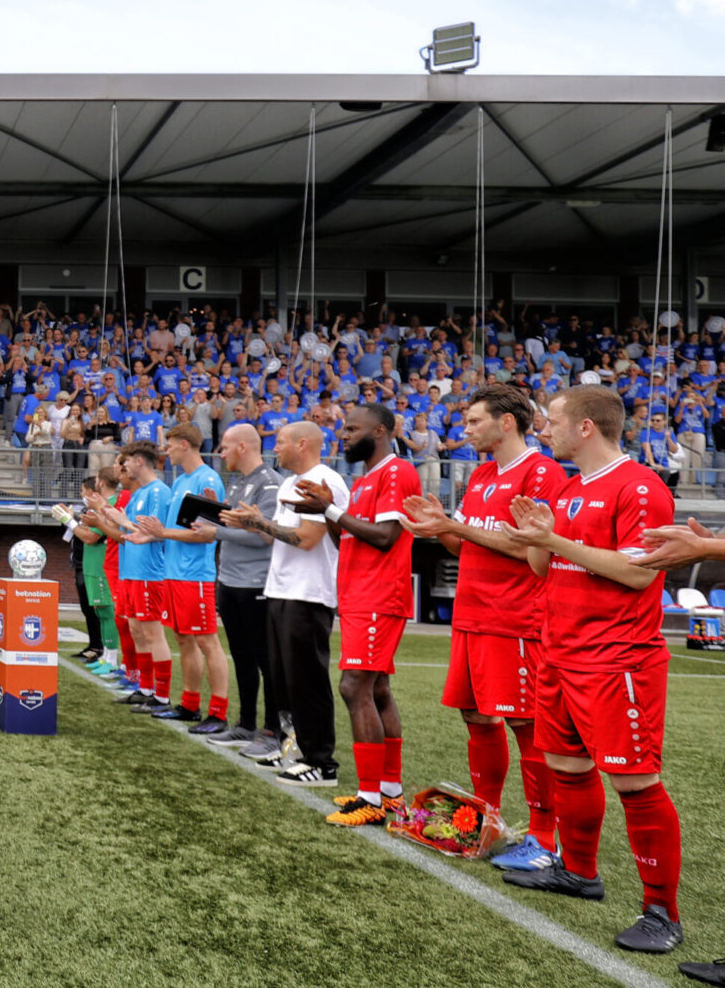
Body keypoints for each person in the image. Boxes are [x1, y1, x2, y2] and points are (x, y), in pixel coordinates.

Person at [499, 385, 685, 954]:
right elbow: (543, 567)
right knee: (566, 766)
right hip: (560, 653)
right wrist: (536, 536)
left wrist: (552, 536)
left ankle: (662, 911)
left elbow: (637, 575)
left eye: (551, 420)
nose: (542, 429)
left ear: (585, 428)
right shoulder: (572, 487)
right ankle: (579, 872)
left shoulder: (641, 488)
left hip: (616, 659)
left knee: (634, 781)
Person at [399, 384, 566, 869]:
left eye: (474, 421)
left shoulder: (541, 473)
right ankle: (486, 819)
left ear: (506, 421)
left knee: (526, 724)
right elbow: (467, 547)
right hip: (472, 616)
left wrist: (459, 527)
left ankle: (544, 836)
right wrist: (442, 527)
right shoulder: (483, 475)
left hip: (516, 618)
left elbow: (531, 548)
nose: (465, 429)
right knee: (475, 716)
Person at [289, 404, 420, 825]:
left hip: (379, 596)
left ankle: (371, 799)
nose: (343, 435)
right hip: (362, 595)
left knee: (354, 688)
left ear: (379, 431)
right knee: (376, 689)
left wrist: (329, 510)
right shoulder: (366, 480)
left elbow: (385, 538)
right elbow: (349, 541)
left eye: (351, 429)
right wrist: (326, 510)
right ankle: (390, 792)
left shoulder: (396, 472)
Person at [220, 421, 347, 787]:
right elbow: (276, 535)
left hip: (308, 593)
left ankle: (321, 762)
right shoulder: (290, 483)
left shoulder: (325, 482)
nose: (275, 448)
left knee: (307, 678)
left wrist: (260, 523)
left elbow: (307, 539)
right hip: (280, 589)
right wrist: (250, 523)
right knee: (284, 678)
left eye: (280, 442)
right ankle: (292, 748)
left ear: (302, 444)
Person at [135, 423, 227, 733]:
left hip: (195, 575)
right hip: (175, 572)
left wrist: (161, 533)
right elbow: (176, 529)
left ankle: (218, 712)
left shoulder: (207, 480)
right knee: (184, 639)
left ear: (185, 444)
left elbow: (206, 535)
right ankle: (189, 704)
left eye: (171, 445)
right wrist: (150, 536)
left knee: (207, 641)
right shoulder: (182, 481)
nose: (167, 451)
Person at [210, 425, 282, 752]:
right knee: (241, 657)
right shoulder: (239, 482)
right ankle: (246, 724)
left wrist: (214, 531)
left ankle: (272, 731)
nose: (220, 454)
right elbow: (229, 526)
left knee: (266, 660)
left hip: (256, 583)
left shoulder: (269, 484)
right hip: (230, 581)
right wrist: (214, 518)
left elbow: (263, 536)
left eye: (224, 447)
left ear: (242, 446)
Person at [91, 443, 174, 714]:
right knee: (137, 630)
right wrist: (106, 510)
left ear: (139, 461)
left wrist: (120, 521)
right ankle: (145, 688)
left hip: (148, 572)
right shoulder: (140, 493)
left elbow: (152, 530)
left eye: (125, 462)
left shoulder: (159, 491)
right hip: (131, 571)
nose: (122, 468)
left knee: (152, 632)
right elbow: (130, 528)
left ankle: (161, 695)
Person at [55, 471, 118, 671]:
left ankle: (110, 659)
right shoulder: (99, 506)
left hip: (100, 565)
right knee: (100, 612)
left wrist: (70, 520)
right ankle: (105, 657)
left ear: (99, 483)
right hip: (91, 564)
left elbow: (91, 537)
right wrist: (71, 520)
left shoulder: (110, 504)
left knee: (107, 613)